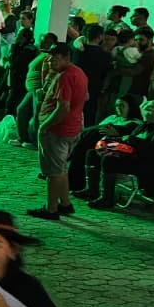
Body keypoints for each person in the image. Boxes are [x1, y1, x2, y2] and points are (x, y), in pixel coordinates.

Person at [79, 98, 154, 210]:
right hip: (135, 157)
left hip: (150, 165)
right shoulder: (145, 125)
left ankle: (107, 198)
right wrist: (118, 141)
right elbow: (132, 141)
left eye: (147, 110)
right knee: (93, 154)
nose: (143, 112)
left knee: (109, 159)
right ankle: (91, 190)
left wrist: (134, 141)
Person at [30, 43, 87, 221]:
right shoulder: (79, 73)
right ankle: (65, 203)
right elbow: (85, 97)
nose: (50, 60)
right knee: (61, 169)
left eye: (55, 57)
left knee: (53, 172)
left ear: (66, 57)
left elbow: (63, 107)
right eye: (50, 56)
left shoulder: (65, 77)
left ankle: (51, 208)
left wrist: (45, 124)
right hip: (72, 128)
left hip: (58, 131)